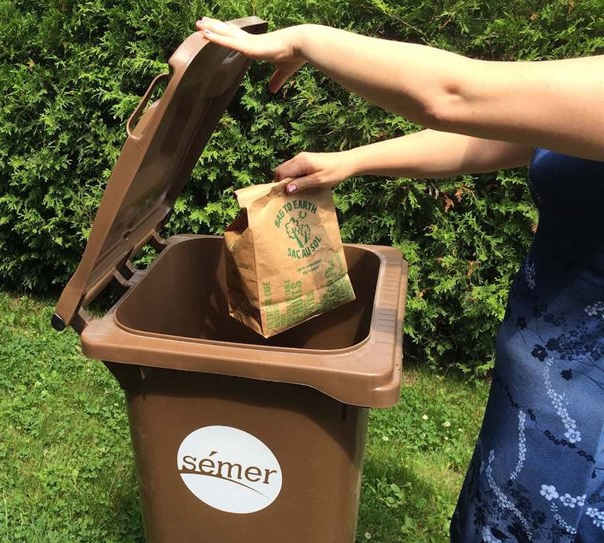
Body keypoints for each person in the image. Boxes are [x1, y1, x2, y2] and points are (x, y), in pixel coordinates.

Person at [196, 17, 604, 543]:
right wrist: (351, 161)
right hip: (539, 390)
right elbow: (488, 137)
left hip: (586, 432)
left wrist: (305, 39)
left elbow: (455, 94)